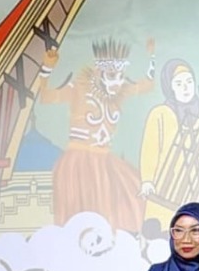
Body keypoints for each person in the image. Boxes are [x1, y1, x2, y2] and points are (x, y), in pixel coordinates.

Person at [39, 38, 154, 232]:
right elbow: (47, 97)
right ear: (99, 74)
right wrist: (47, 68)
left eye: (120, 77)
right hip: (78, 162)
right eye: (111, 76)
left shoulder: (120, 92)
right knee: (80, 214)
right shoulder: (78, 89)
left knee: (132, 191)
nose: (117, 83)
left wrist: (152, 55)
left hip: (104, 162)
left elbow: (146, 85)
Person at [139, 59, 199, 232]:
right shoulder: (160, 114)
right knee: (161, 233)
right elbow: (150, 149)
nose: (185, 87)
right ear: (170, 86)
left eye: (189, 82)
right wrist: (147, 180)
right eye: (179, 83)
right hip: (166, 187)